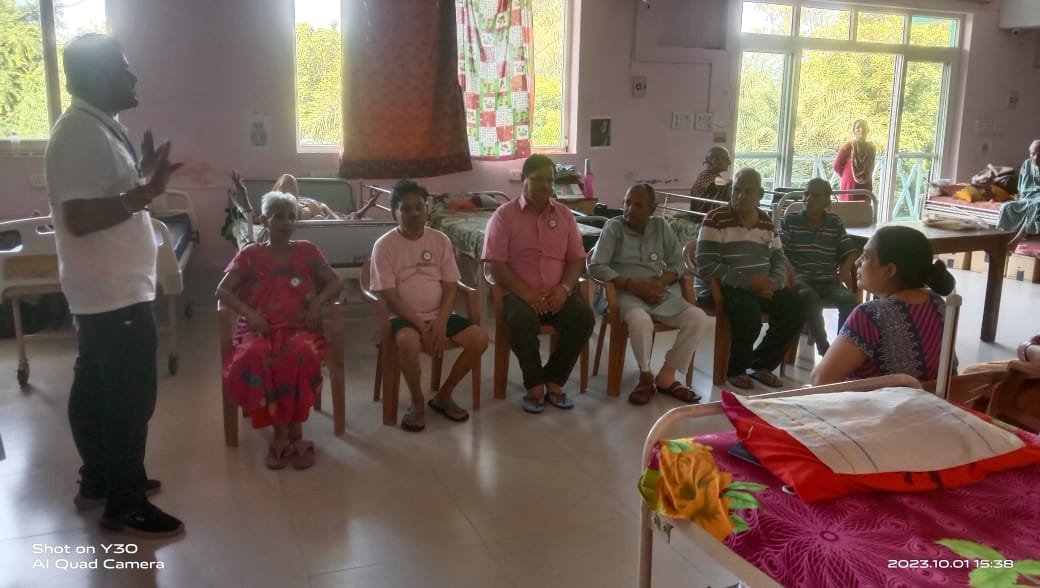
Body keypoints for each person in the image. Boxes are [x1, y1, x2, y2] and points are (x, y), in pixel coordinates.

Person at [45, 34, 184, 536]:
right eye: (123, 69)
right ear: (99, 75)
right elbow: (81, 218)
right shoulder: (80, 134)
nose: (133, 76)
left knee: (96, 387)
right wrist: (146, 192)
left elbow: (106, 195)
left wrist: (141, 180)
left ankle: (100, 479)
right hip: (111, 292)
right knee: (129, 397)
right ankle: (124, 502)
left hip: (110, 288)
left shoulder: (98, 128)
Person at [216, 191, 342, 468]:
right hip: (258, 329)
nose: (286, 222)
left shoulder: (307, 250)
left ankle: (295, 433)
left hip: (300, 327)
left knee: (300, 354)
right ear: (265, 220)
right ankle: (281, 434)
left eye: (291, 216)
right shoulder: (250, 254)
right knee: (255, 355)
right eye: (279, 216)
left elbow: (335, 282)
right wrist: (251, 314)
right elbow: (222, 291)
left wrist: (316, 304)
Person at [370, 180, 489, 432]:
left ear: (427, 209)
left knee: (479, 339)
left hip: (438, 314)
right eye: (405, 209)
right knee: (408, 342)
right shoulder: (384, 245)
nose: (414, 213)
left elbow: (450, 287)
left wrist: (441, 321)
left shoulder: (440, 240)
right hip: (402, 317)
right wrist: (420, 326)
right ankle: (417, 402)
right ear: (394, 213)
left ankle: (444, 396)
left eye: (419, 207)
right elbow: (390, 296)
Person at [483, 154, 596, 413]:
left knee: (583, 318)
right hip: (519, 294)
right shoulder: (504, 216)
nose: (545, 186)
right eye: (537, 179)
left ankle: (554, 381)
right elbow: (495, 264)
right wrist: (527, 293)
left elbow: (576, 259)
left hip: (558, 293)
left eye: (550, 180)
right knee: (521, 322)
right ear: (523, 179)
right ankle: (535, 386)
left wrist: (564, 289)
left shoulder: (564, 215)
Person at [589, 183, 711, 405]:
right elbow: (596, 266)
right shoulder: (613, 227)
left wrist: (659, 283)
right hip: (623, 293)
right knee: (641, 321)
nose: (629, 209)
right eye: (627, 203)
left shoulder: (661, 226)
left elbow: (678, 263)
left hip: (657, 292)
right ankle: (645, 376)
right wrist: (633, 286)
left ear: (652, 208)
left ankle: (667, 375)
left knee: (698, 318)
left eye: (638, 205)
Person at [695, 168, 805, 390]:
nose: (740, 195)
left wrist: (773, 282)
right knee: (748, 312)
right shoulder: (715, 219)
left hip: (761, 287)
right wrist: (749, 282)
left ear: (760, 194)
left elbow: (779, 258)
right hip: (724, 286)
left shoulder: (766, 222)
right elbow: (706, 263)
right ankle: (735, 369)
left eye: (748, 191)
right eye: (736, 189)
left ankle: (762, 364)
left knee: (796, 306)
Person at [810, 226, 956, 386]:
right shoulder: (938, 304)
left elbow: (820, 380)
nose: (858, 262)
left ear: (890, 270)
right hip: (932, 400)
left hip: (879, 402)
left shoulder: (871, 315)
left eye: (866, 256)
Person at [779, 178, 860, 356]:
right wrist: (789, 268)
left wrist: (844, 269)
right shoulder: (790, 220)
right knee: (809, 298)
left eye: (815, 196)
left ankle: (840, 350)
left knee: (848, 300)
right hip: (801, 277)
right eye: (806, 194)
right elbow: (778, 250)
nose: (808, 199)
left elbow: (850, 251)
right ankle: (825, 349)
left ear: (826, 202)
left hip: (828, 280)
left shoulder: (834, 222)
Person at [231, 171, 378, 221]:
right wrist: (242, 191)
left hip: (315, 211)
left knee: (341, 217)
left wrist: (368, 206)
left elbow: (340, 220)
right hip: (311, 214)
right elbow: (252, 218)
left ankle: (368, 206)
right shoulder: (273, 212)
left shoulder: (309, 204)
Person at [997, 139, 1040, 238]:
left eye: (1039, 155)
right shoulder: (1027, 164)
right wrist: (1023, 197)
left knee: (1036, 206)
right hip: (1026, 197)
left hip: (1038, 199)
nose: (1036, 157)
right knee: (1006, 206)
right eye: (1033, 154)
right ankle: (1003, 236)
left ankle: (1023, 237)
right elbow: (1021, 186)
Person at [833, 119, 876, 200]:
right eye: (858, 127)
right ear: (854, 131)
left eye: (864, 127)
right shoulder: (848, 146)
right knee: (848, 206)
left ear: (868, 130)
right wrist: (848, 176)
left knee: (863, 206)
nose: (861, 129)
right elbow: (837, 166)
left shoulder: (871, 148)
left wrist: (862, 176)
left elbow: (871, 167)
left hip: (866, 185)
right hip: (849, 186)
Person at [690, 146, 732, 214]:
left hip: (707, 213)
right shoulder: (706, 175)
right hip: (700, 215)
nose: (729, 163)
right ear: (715, 161)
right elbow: (717, 181)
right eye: (726, 159)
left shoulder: (712, 175)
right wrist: (737, 182)